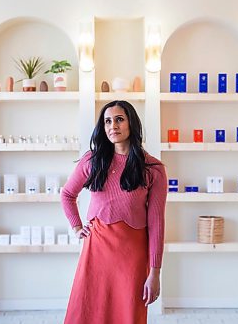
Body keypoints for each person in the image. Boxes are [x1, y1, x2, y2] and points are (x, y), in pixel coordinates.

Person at [61, 100, 167, 324]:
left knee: (127, 314)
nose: (113, 126)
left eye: (119, 119)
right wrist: (77, 226)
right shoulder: (92, 161)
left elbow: (157, 223)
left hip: (133, 256)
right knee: (88, 311)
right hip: (96, 251)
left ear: (131, 124)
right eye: (107, 121)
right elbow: (67, 194)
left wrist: (155, 272)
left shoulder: (153, 169)